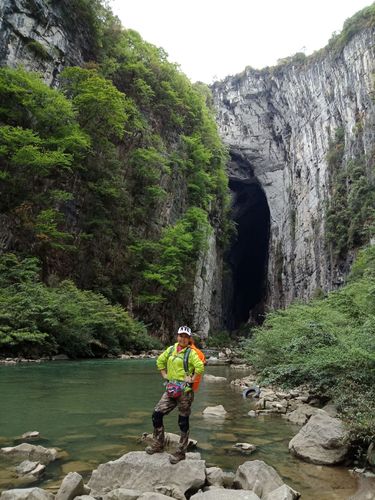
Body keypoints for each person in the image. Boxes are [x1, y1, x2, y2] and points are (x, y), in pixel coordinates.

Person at [145, 325, 205, 463]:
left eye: (186, 337)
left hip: (185, 392)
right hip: (171, 389)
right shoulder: (171, 349)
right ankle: (158, 443)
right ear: (177, 336)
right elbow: (160, 361)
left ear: (189, 339)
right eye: (181, 336)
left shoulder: (191, 353)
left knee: (183, 421)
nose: (183, 338)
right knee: (157, 414)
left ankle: (181, 452)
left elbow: (200, 366)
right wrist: (164, 375)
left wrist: (193, 378)